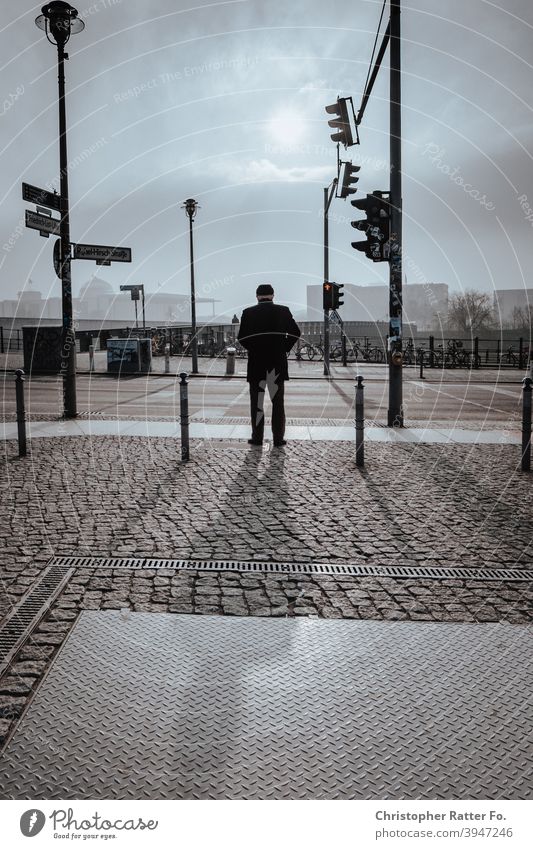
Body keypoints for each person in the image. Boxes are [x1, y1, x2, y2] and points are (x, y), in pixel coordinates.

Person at [237, 284, 301, 447]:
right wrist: (284, 348)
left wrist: (254, 348)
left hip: (257, 363)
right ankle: (278, 439)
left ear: (257, 296)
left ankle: (257, 438)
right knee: (278, 403)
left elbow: (242, 338)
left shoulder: (248, 313)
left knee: (257, 402)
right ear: (273, 295)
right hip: (276, 362)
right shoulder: (283, 311)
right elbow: (296, 332)